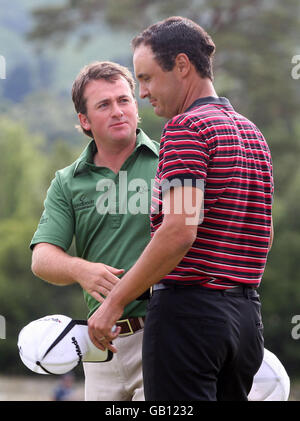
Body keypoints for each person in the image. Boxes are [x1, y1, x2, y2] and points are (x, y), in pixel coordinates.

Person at [87, 16, 274, 401]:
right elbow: (262, 236)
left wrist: (115, 302)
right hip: (245, 321)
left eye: (148, 78)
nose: (142, 93)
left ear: (183, 66)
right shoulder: (253, 134)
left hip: (189, 319)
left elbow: (179, 230)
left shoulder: (187, 129)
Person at [30, 61, 159, 401]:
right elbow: (42, 257)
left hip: (164, 334)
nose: (118, 111)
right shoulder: (67, 181)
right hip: (99, 345)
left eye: (124, 100)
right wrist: (79, 269)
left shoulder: (170, 162)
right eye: (104, 104)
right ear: (84, 121)